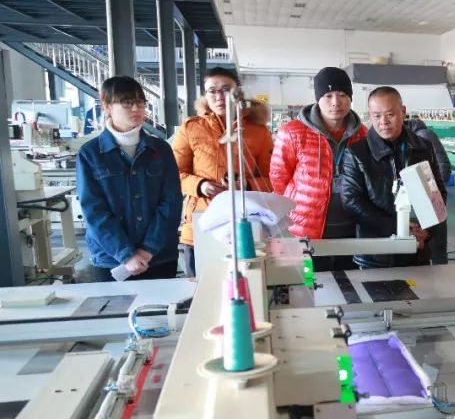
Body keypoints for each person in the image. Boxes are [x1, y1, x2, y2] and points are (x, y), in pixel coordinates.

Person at [76, 76, 182, 281]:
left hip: (159, 256)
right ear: (107, 106)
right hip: (111, 260)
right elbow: (94, 210)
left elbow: (171, 201)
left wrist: (149, 249)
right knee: (114, 304)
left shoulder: (160, 149)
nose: (136, 108)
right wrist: (126, 254)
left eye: (140, 102)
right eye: (126, 103)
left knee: (162, 303)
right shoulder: (90, 154)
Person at [173, 67, 274, 276]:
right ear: (205, 95)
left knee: (248, 282)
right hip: (201, 223)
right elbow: (174, 174)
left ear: (238, 92)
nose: (219, 96)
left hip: (245, 223)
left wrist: (246, 185)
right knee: (200, 287)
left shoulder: (259, 132)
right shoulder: (190, 128)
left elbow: (272, 178)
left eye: (226, 89)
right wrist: (201, 186)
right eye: (212, 91)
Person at [271, 67, 368, 271]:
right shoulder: (292, 133)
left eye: (343, 95)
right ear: (318, 99)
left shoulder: (362, 134)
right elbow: (279, 179)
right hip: (305, 231)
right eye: (328, 95)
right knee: (308, 282)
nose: (336, 102)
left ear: (350, 98)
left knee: (348, 282)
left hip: (351, 229)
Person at [341, 86, 448, 269]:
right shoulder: (357, 153)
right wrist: (396, 227)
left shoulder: (422, 148)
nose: (383, 122)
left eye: (390, 114)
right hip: (376, 254)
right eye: (377, 116)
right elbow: (351, 202)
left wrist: (426, 229)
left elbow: (437, 193)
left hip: (417, 250)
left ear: (403, 112)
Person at [407, 117, 453, 265]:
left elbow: (443, 167)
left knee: (436, 246)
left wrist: (431, 190)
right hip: (431, 198)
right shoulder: (424, 134)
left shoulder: (422, 138)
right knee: (434, 248)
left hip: (431, 200)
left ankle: (440, 274)